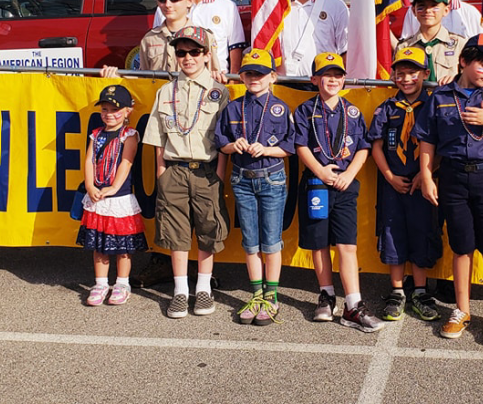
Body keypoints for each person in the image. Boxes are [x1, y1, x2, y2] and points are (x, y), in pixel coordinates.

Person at [414, 33, 483, 346]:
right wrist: (426, 175)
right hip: (453, 178)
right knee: (461, 247)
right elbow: (428, 139)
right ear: (463, 61)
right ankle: (462, 309)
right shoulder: (441, 96)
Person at [140, 26, 230, 319]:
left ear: (206, 55)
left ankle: (203, 288)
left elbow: (223, 138)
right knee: (176, 233)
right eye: (181, 52)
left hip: (206, 170)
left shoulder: (219, 92)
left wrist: (218, 173)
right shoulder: (166, 92)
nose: (188, 58)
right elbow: (157, 139)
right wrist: (162, 174)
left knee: (208, 229)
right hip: (174, 171)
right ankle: (180, 290)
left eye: (194, 52)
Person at [293, 52, 383, 332]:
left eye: (338, 75)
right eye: (326, 75)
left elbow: (363, 148)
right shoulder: (305, 111)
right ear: (314, 79)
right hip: (317, 185)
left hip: (344, 185)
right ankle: (326, 294)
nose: (332, 80)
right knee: (319, 243)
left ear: (344, 79)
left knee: (347, 244)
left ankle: (353, 304)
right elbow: (300, 145)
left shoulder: (352, 112)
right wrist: (320, 171)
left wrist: (349, 174)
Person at [214, 48, 294, 325]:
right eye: (249, 73)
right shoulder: (233, 107)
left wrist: (268, 150)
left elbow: (290, 146)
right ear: (242, 76)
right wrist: (232, 145)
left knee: (271, 242)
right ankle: (257, 293)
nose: (254, 78)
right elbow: (220, 142)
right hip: (241, 179)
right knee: (250, 242)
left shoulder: (281, 108)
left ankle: (271, 297)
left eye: (260, 73)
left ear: (272, 76)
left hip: (271, 179)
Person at [365, 47, 442, 322]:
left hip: (423, 184)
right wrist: (388, 176)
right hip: (393, 184)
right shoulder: (387, 108)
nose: (406, 78)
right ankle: (397, 291)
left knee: (422, 233)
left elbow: (439, 143)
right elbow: (375, 145)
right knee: (393, 234)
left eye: (412, 73)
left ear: (425, 73)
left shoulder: (433, 106)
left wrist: (426, 173)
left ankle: (420, 291)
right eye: (400, 73)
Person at [77, 85, 146, 306]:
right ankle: (100, 283)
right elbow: (89, 160)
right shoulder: (96, 134)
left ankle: (122, 283)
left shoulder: (130, 135)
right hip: (98, 198)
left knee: (123, 247)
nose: (109, 114)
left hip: (120, 199)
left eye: (115, 109)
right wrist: (90, 185)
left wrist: (114, 188)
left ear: (128, 111)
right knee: (99, 244)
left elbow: (127, 162)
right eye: (105, 109)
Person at [104, 0, 221, 76]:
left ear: (189, 0)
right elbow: (143, 81)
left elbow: (215, 79)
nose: (167, 4)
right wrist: (117, 77)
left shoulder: (205, 37)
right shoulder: (149, 39)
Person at [395, 0, 465, 85]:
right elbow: (396, 78)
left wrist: (458, 79)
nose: (427, 11)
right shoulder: (404, 47)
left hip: (448, 100)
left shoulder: (460, 44)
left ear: (446, 10)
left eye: (434, 6)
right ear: (413, 10)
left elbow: (470, 79)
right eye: (421, 7)